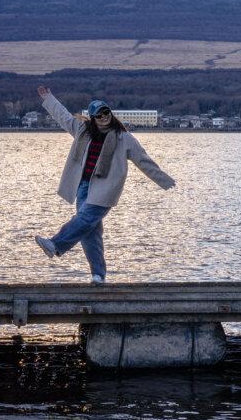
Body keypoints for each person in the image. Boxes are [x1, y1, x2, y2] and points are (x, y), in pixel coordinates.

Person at [34, 85, 176, 283]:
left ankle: (56, 244)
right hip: (83, 187)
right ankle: (98, 275)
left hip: (105, 190)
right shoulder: (83, 132)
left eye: (106, 112)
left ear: (111, 113)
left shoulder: (123, 138)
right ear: (93, 118)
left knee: (83, 220)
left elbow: (143, 160)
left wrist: (165, 181)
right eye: (99, 115)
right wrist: (49, 98)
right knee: (90, 234)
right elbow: (63, 117)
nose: (104, 117)